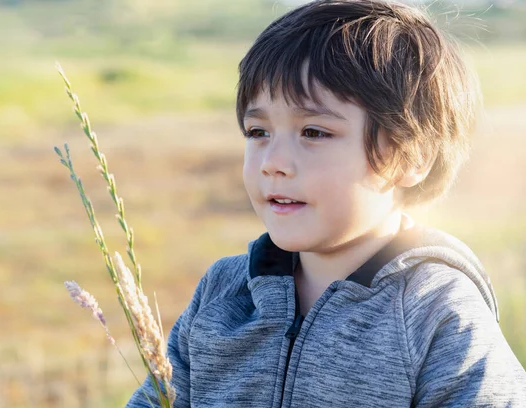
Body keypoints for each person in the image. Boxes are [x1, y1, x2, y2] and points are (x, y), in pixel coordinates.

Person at [127, 0, 526, 406]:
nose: (273, 163)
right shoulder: (223, 291)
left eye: (314, 132)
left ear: (410, 157)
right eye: (258, 131)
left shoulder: (435, 310)